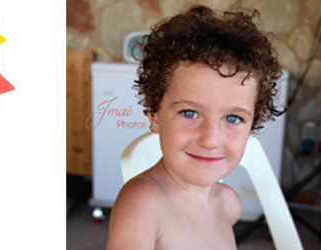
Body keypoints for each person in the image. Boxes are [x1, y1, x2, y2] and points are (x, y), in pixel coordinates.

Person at [106, 5, 284, 249]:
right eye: (189, 113)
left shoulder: (227, 204)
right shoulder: (143, 203)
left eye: (232, 118)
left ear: (253, 123)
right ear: (154, 112)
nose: (210, 139)